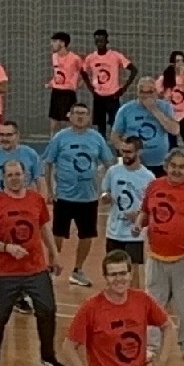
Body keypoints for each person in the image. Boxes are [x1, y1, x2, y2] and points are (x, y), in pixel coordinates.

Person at [0, 160, 69, 366]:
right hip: (5, 272)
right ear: (3, 178)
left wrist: (54, 254)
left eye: (18, 174)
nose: (14, 178)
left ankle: (48, 356)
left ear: (25, 175)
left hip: (35, 269)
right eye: (10, 175)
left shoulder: (36, 199)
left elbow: (44, 227)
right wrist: (7, 248)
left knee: (47, 309)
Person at [141, 149, 184, 360]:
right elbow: (145, 212)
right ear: (166, 167)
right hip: (156, 256)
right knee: (154, 303)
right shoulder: (154, 186)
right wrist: (137, 223)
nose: (177, 170)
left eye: (181, 167)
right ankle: (151, 346)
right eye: (173, 166)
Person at [44, 102, 117, 287]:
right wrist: (50, 190)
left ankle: (77, 270)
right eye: (76, 113)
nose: (80, 116)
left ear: (89, 117)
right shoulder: (60, 138)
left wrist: (109, 188)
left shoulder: (96, 138)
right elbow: (48, 163)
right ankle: (51, 268)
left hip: (88, 197)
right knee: (58, 234)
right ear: (70, 116)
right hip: (64, 196)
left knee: (87, 235)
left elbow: (109, 163)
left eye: (83, 113)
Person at [101, 137, 155, 286]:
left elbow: (152, 207)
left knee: (132, 270)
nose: (125, 155)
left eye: (129, 152)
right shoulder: (113, 171)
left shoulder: (148, 177)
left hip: (134, 234)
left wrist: (139, 217)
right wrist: (106, 197)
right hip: (114, 231)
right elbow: (105, 192)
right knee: (112, 268)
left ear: (139, 152)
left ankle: (134, 297)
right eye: (123, 151)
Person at [113, 79, 177, 177]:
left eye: (150, 92)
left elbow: (174, 130)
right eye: (142, 92)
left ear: (156, 92)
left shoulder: (165, 107)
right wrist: (126, 151)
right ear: (137, 93)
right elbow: (115, 136)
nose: (146, 96)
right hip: (134, 164)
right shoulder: (126, 110)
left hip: (160, 163)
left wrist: (154, 110)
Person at [83, 29, 136, 135]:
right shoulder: (91, 58)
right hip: (98, 96)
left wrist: (124, 88)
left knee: (115, 124)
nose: (99, 43)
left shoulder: (115, 56)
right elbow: (83, 71)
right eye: (97, 41)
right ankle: (102, 144)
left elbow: (134, 70)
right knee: (100, 125)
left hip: (113, 96)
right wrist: (90, 87)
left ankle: (116, 144)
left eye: (101, 41)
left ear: (106, 41)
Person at [0, 120, 44, 199]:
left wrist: (42, 203)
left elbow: (40, 180)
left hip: (24, 203)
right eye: (1, 135)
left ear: (17, 135)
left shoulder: (30, 154)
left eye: (9, 135)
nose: (5, 138)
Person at [47, 31, 81, 133]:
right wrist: (52, 82)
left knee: (69, 120)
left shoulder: (75, 58)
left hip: (68, 93)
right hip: (56, 92)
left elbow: (83, 74)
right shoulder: (54, 56)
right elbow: (57, 73)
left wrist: (76, 85)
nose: (52, 44)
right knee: (54, 122)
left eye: (54, 41)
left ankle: (71, 140)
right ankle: (53, 141)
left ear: (62, 43)